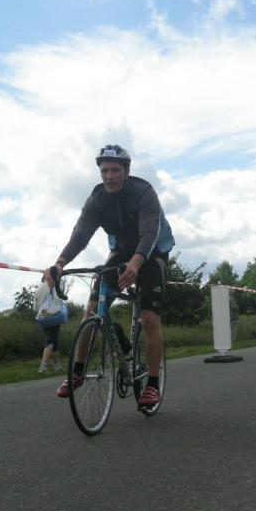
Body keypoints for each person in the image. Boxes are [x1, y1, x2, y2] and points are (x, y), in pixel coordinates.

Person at [46, 144, 174, 407]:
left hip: (153, 253)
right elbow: (81, 234)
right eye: (104, 171)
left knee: (149, 318)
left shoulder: (144, 192)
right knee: (92, 310)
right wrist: (60, 263)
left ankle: (152, 384)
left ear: (126, 171)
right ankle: (77, 372)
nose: (109, 176)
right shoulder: (97, 199)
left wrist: (136, 264)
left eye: (115, 170)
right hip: (121, 251)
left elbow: (149, 234)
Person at [33, 278, 64, 373]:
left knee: (54, 341)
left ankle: (57, 366)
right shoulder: (54, 288)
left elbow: (35, 307)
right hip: (54, 318)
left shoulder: (39, 289)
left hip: (42, 318)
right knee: (51, 340)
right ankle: (43, 367)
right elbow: (59, 302)